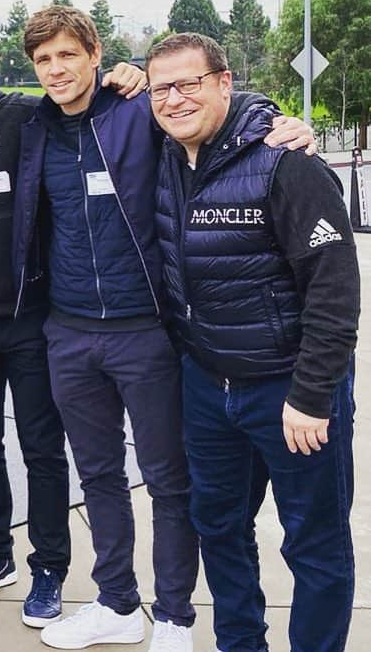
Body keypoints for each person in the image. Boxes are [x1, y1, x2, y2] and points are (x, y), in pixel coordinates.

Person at [12, 6, 314, 652]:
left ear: (96, 55)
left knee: (168, 480)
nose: (56, 69)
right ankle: (117, 602)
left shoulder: (135, 110)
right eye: (43, 60)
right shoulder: (34, 127)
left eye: (68, 54)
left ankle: (174, 614)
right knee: (97, 477)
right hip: (68, 332)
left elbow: (206, 104)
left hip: (144, 330)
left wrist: (275, 121)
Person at [0, 33, 145, 625]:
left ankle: (49, 568)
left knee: (42, 448)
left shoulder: (24, 117)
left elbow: (82, 100)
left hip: (30, 318)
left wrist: (129, 74)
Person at [148, 32, 359, 652]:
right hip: (208, 386)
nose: (175, 98)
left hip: (290, 393)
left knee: (313, 542)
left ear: (224, 82)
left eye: (190, 83)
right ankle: (240, 643)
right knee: (219, 527)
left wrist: (313, 393)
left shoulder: (286, 160)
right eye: (162, 87)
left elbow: (335, 288)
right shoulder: (163, 156)